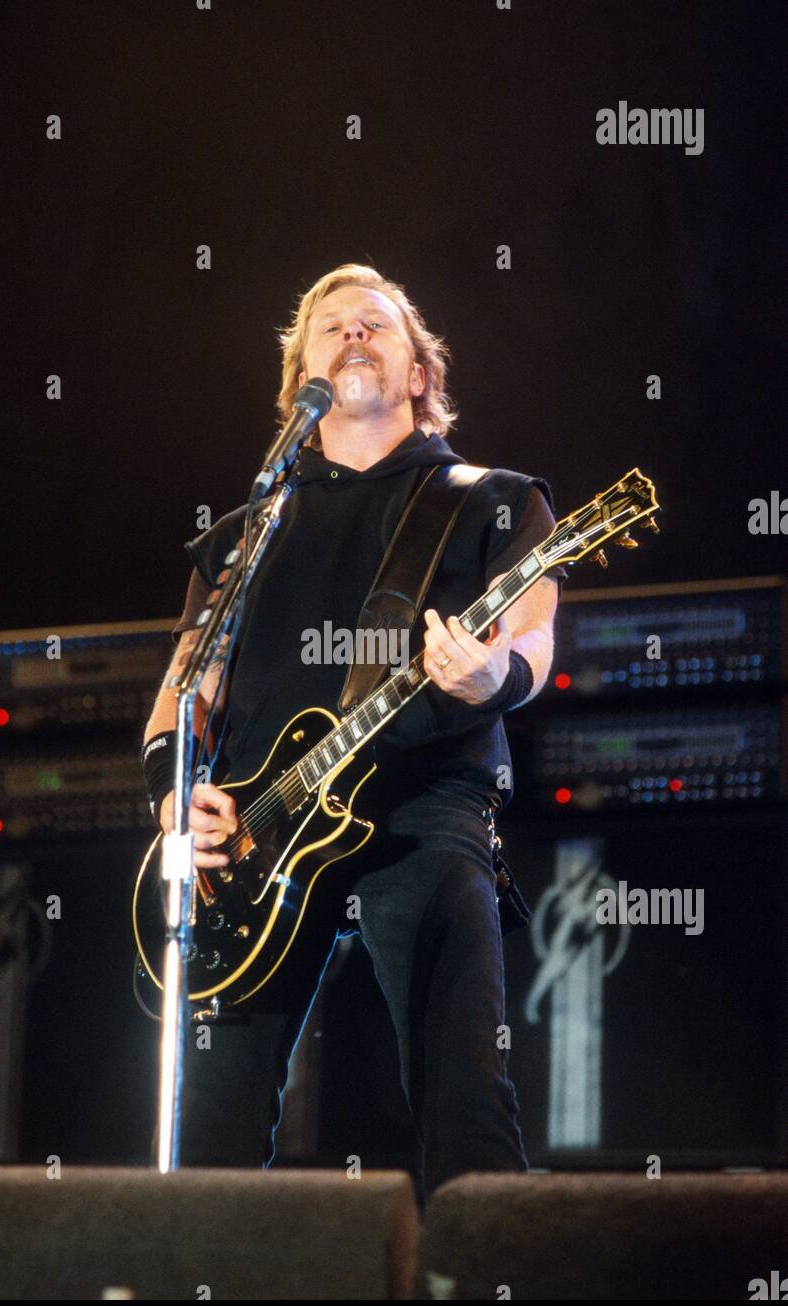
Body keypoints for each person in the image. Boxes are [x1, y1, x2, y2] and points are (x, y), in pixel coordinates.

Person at [141, 263, 564, 1208]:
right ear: (302, 382)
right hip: (254, 832)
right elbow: (183, 689)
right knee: (208, 1114)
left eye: (375, 325)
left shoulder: (490, 498)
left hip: (425, 809)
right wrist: (174, 799)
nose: (353, 336)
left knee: (464, 1094)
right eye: (329, 329)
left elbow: (532, 637)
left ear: (420, 372)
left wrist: (494, 674)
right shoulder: (248, 532)